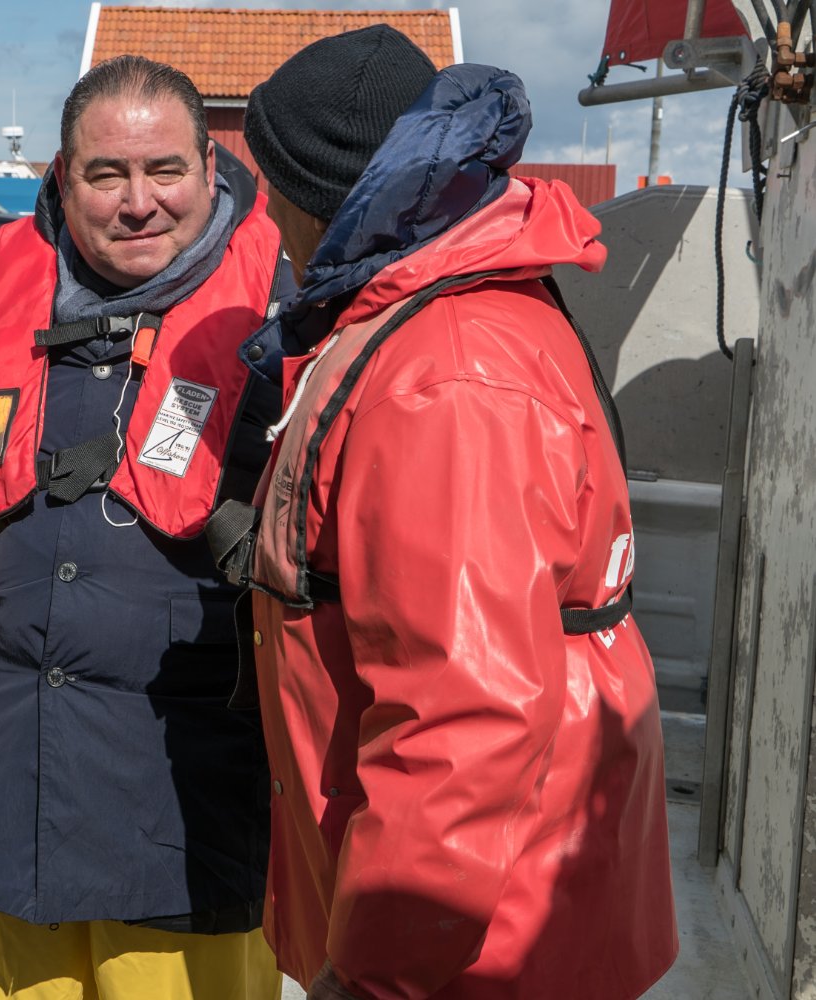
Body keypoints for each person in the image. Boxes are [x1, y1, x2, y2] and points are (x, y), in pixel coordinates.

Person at [228, 26, 679, 999]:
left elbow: (464, 709)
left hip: (474, 950)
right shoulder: (443, 317)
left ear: (323, 202)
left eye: (271, 185)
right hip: (495, 910)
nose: (262, 212)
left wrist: (380, 971)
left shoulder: (444, 370)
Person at [0, 54, 291, 1000]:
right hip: (5, 762)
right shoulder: (0, 291)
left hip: (187, 785)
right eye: (107, 174)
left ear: (209, 172)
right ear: (63, 178)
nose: (139, 202)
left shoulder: (280, 310)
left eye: (164, 170)